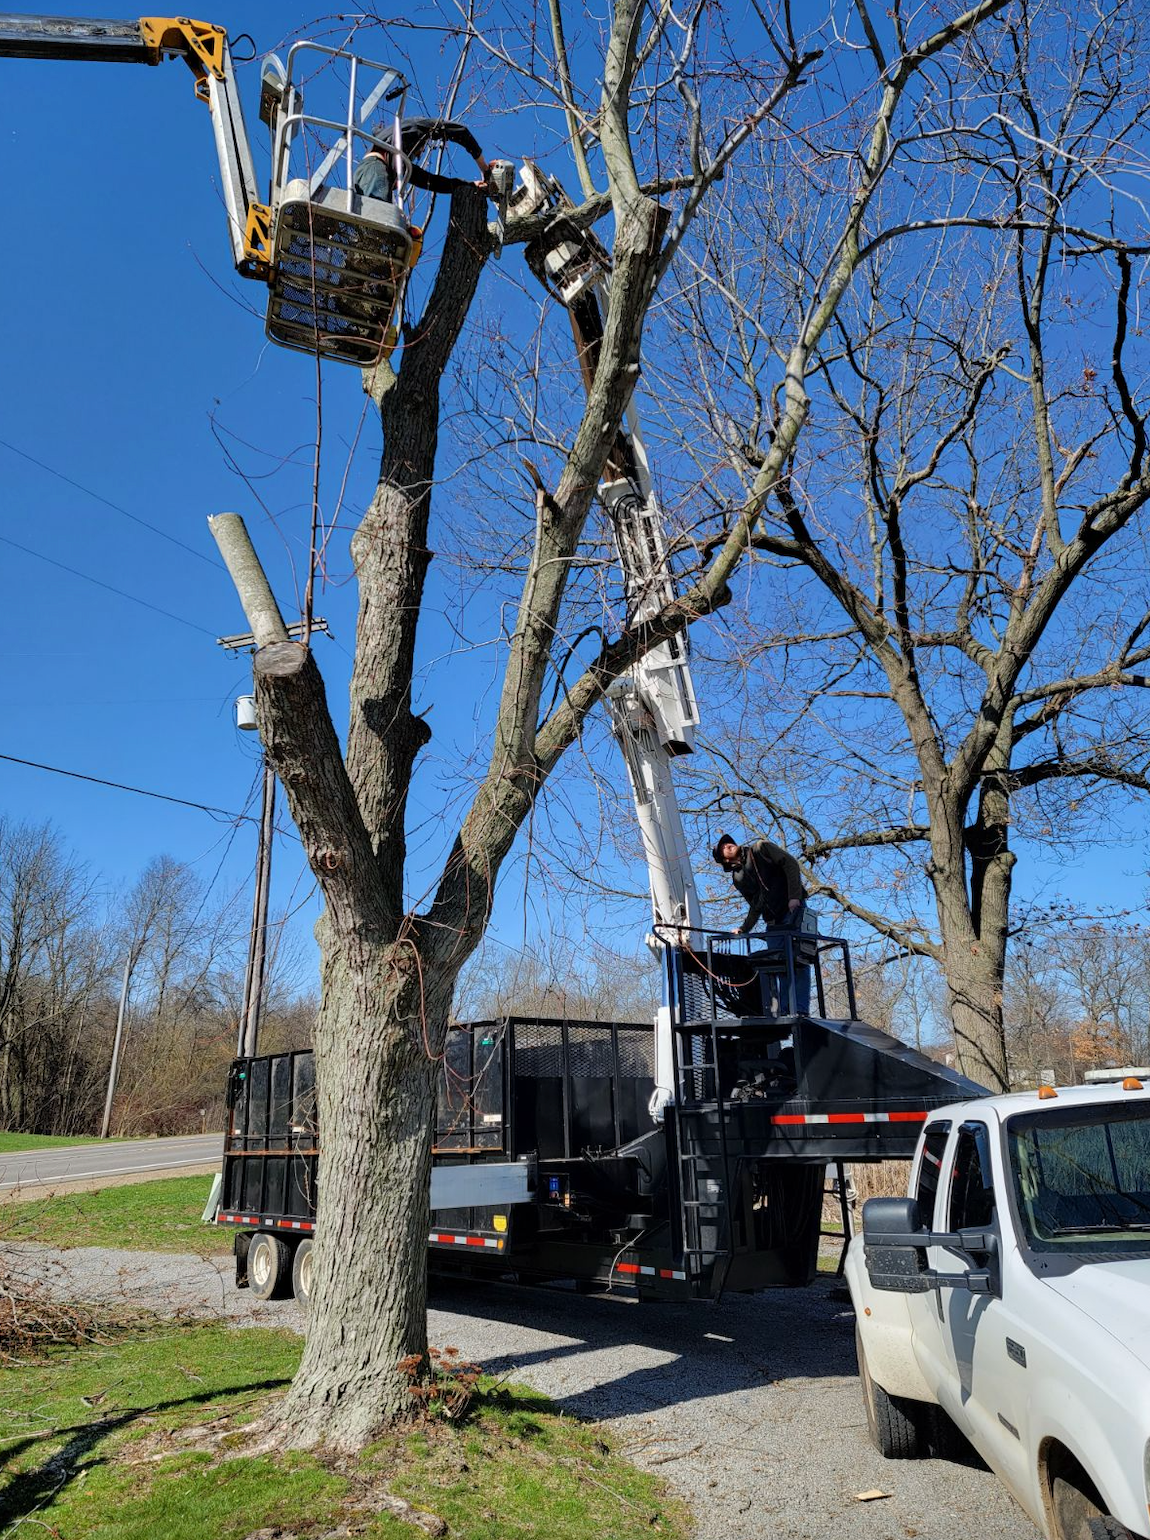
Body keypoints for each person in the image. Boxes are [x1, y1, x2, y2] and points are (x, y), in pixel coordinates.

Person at [712, 832, 811, 1014]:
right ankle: (785, 1009)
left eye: (728, 843)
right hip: (773, 921)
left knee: (799, 959)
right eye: (722, 848)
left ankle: (800, 1010)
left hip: (793, 910)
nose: (727, 845)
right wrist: (744, 928)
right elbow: (755, 905)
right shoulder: (738, 878)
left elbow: (790, 864)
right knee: (778, 964)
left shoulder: (761, 849)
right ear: (724, 861)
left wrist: (794, 897)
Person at [354, 116, 491, 202]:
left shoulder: (400, 163)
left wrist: (470, 185)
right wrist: (484, 167)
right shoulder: (414, 127)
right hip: (373, 169)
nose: (420, 154)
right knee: (378, 218)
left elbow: (431, 182)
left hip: (364, 175)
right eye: (423, 148)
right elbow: (460, 131)